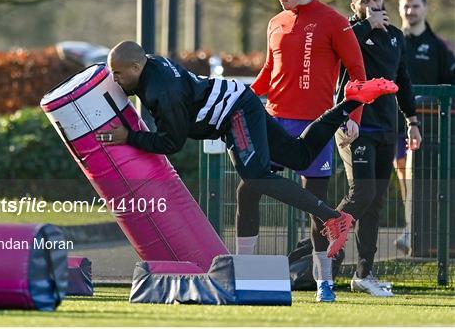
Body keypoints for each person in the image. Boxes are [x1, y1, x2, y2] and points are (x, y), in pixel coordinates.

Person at [97, 40, 397, 272]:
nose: (116, 79)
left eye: (118, 74)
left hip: (234, 113)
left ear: (136, 67)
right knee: (300, 155)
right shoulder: (151, 66)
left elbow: (171, 142)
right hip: (239, 100)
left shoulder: (162, 91)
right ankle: (351, 100)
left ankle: (333, 218)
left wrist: (130, 137)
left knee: (256, 178)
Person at [247, 0, 367, 303]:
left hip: (315, 128)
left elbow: (357, 72)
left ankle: (324, 284)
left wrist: (353, 116)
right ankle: (245, 272)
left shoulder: (335, 22)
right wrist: (240, 100)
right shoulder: (275, 22)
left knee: (317, 209)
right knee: (248, 190)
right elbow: (268, 72)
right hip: (273, 123)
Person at [334, 0, 422, 297]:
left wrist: (411, 120)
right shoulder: (350, 33)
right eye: (365, 0)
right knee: (362, 194)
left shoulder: (396, 37)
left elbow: (404, 82)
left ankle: (364, 273)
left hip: (387, 130)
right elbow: (338, 52)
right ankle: (323, 247)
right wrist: (366, 25)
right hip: (356, 127)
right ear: (355, 5)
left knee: (375, 202)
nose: (373, 4)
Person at [393, 0, 455, 254]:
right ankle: (410, 229)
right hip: (395, 124)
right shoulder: (393, 42)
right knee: (403, 175)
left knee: (421, 178)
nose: (411, 11)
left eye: (416, 6)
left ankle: (420, 235)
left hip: (428, 128)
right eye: (406, 6)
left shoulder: (439, 47)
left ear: (425, 8)